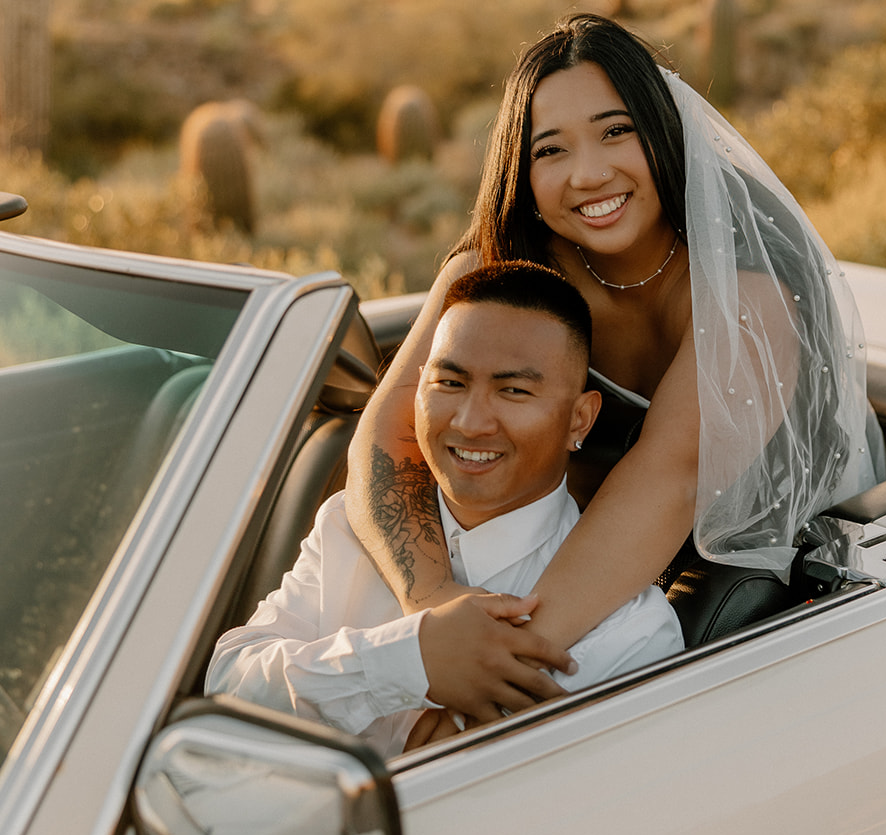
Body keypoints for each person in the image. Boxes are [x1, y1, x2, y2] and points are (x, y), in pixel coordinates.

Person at [345, 14, 886, 729]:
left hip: (759, 567)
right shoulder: (497, 268)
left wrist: (498, 668)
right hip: (580, 563)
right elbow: (387, 433)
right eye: (551, 149)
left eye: (615, 131)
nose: (588, 173)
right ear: (521, 168)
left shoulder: (751, 291)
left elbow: (671, 476)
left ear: (664, 133)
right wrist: (435, 610)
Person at [207, 261, 682, 756]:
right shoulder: (350, 524)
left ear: (579, 420)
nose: (471, 422)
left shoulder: (632, 634)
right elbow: (228, 685)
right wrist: (406, 661)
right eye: (449, 384)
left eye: (513, 391)